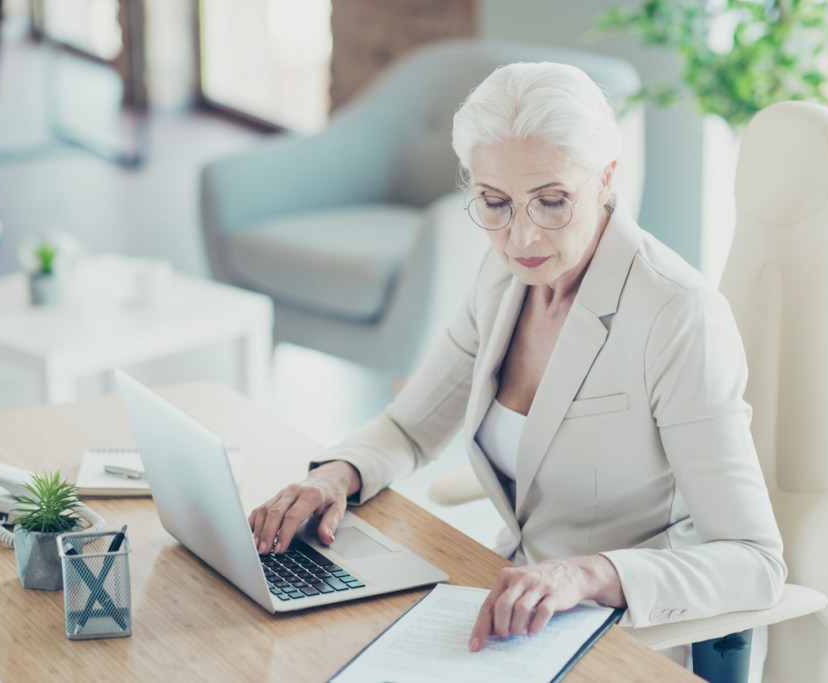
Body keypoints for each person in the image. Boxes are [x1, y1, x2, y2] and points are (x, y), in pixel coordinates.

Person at [248, 61, 786, 672]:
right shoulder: (502, 276)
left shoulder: (676, 313)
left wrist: (587, 574)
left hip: (629, 637)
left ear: (606, 177)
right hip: (512, 613)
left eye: (552, 201)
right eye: (494, 202)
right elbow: (409, 428)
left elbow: (753, 559)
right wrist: (333, 477)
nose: (521, 237)